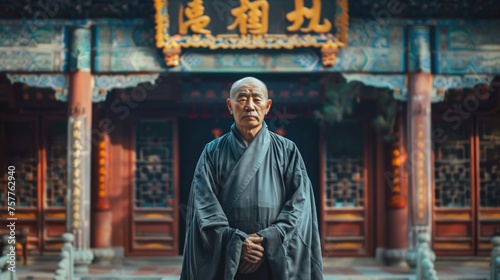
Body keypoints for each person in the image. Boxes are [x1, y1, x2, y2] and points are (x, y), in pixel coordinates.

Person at [180, 77, 323, 280]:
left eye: (257, 99)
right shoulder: (212, 152)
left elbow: (300, 205)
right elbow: (204, 207)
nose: (250, 106)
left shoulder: (287, 150)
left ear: (268, 106)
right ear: (230, 106)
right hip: (228, 261)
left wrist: (267, 241)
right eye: (242, 99)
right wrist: (237, 244)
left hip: (274, 257)